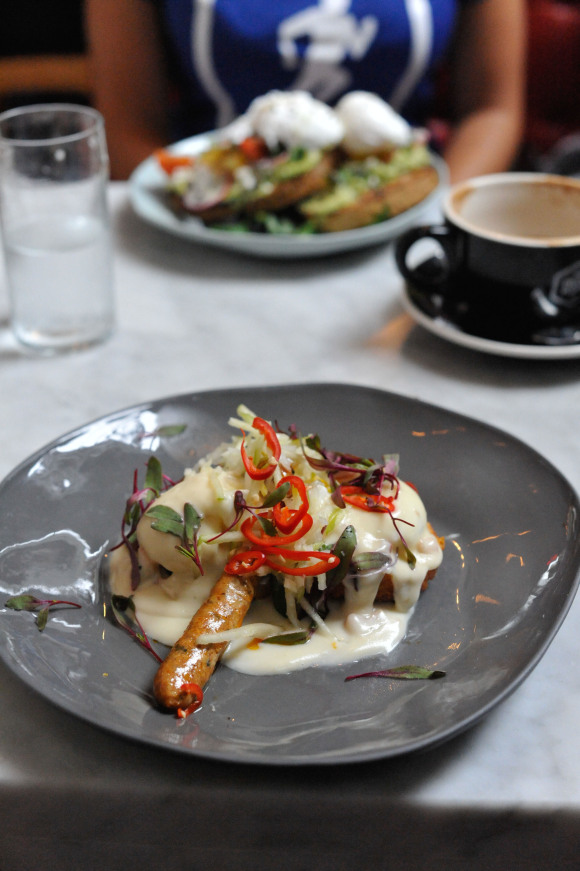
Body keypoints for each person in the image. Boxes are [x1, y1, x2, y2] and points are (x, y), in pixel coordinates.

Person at [85, 0, 526, 183]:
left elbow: (492, 108)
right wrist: (203, 204)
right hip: (211, 206)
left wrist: (432, 217)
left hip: (399, 203)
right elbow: (125, 129)